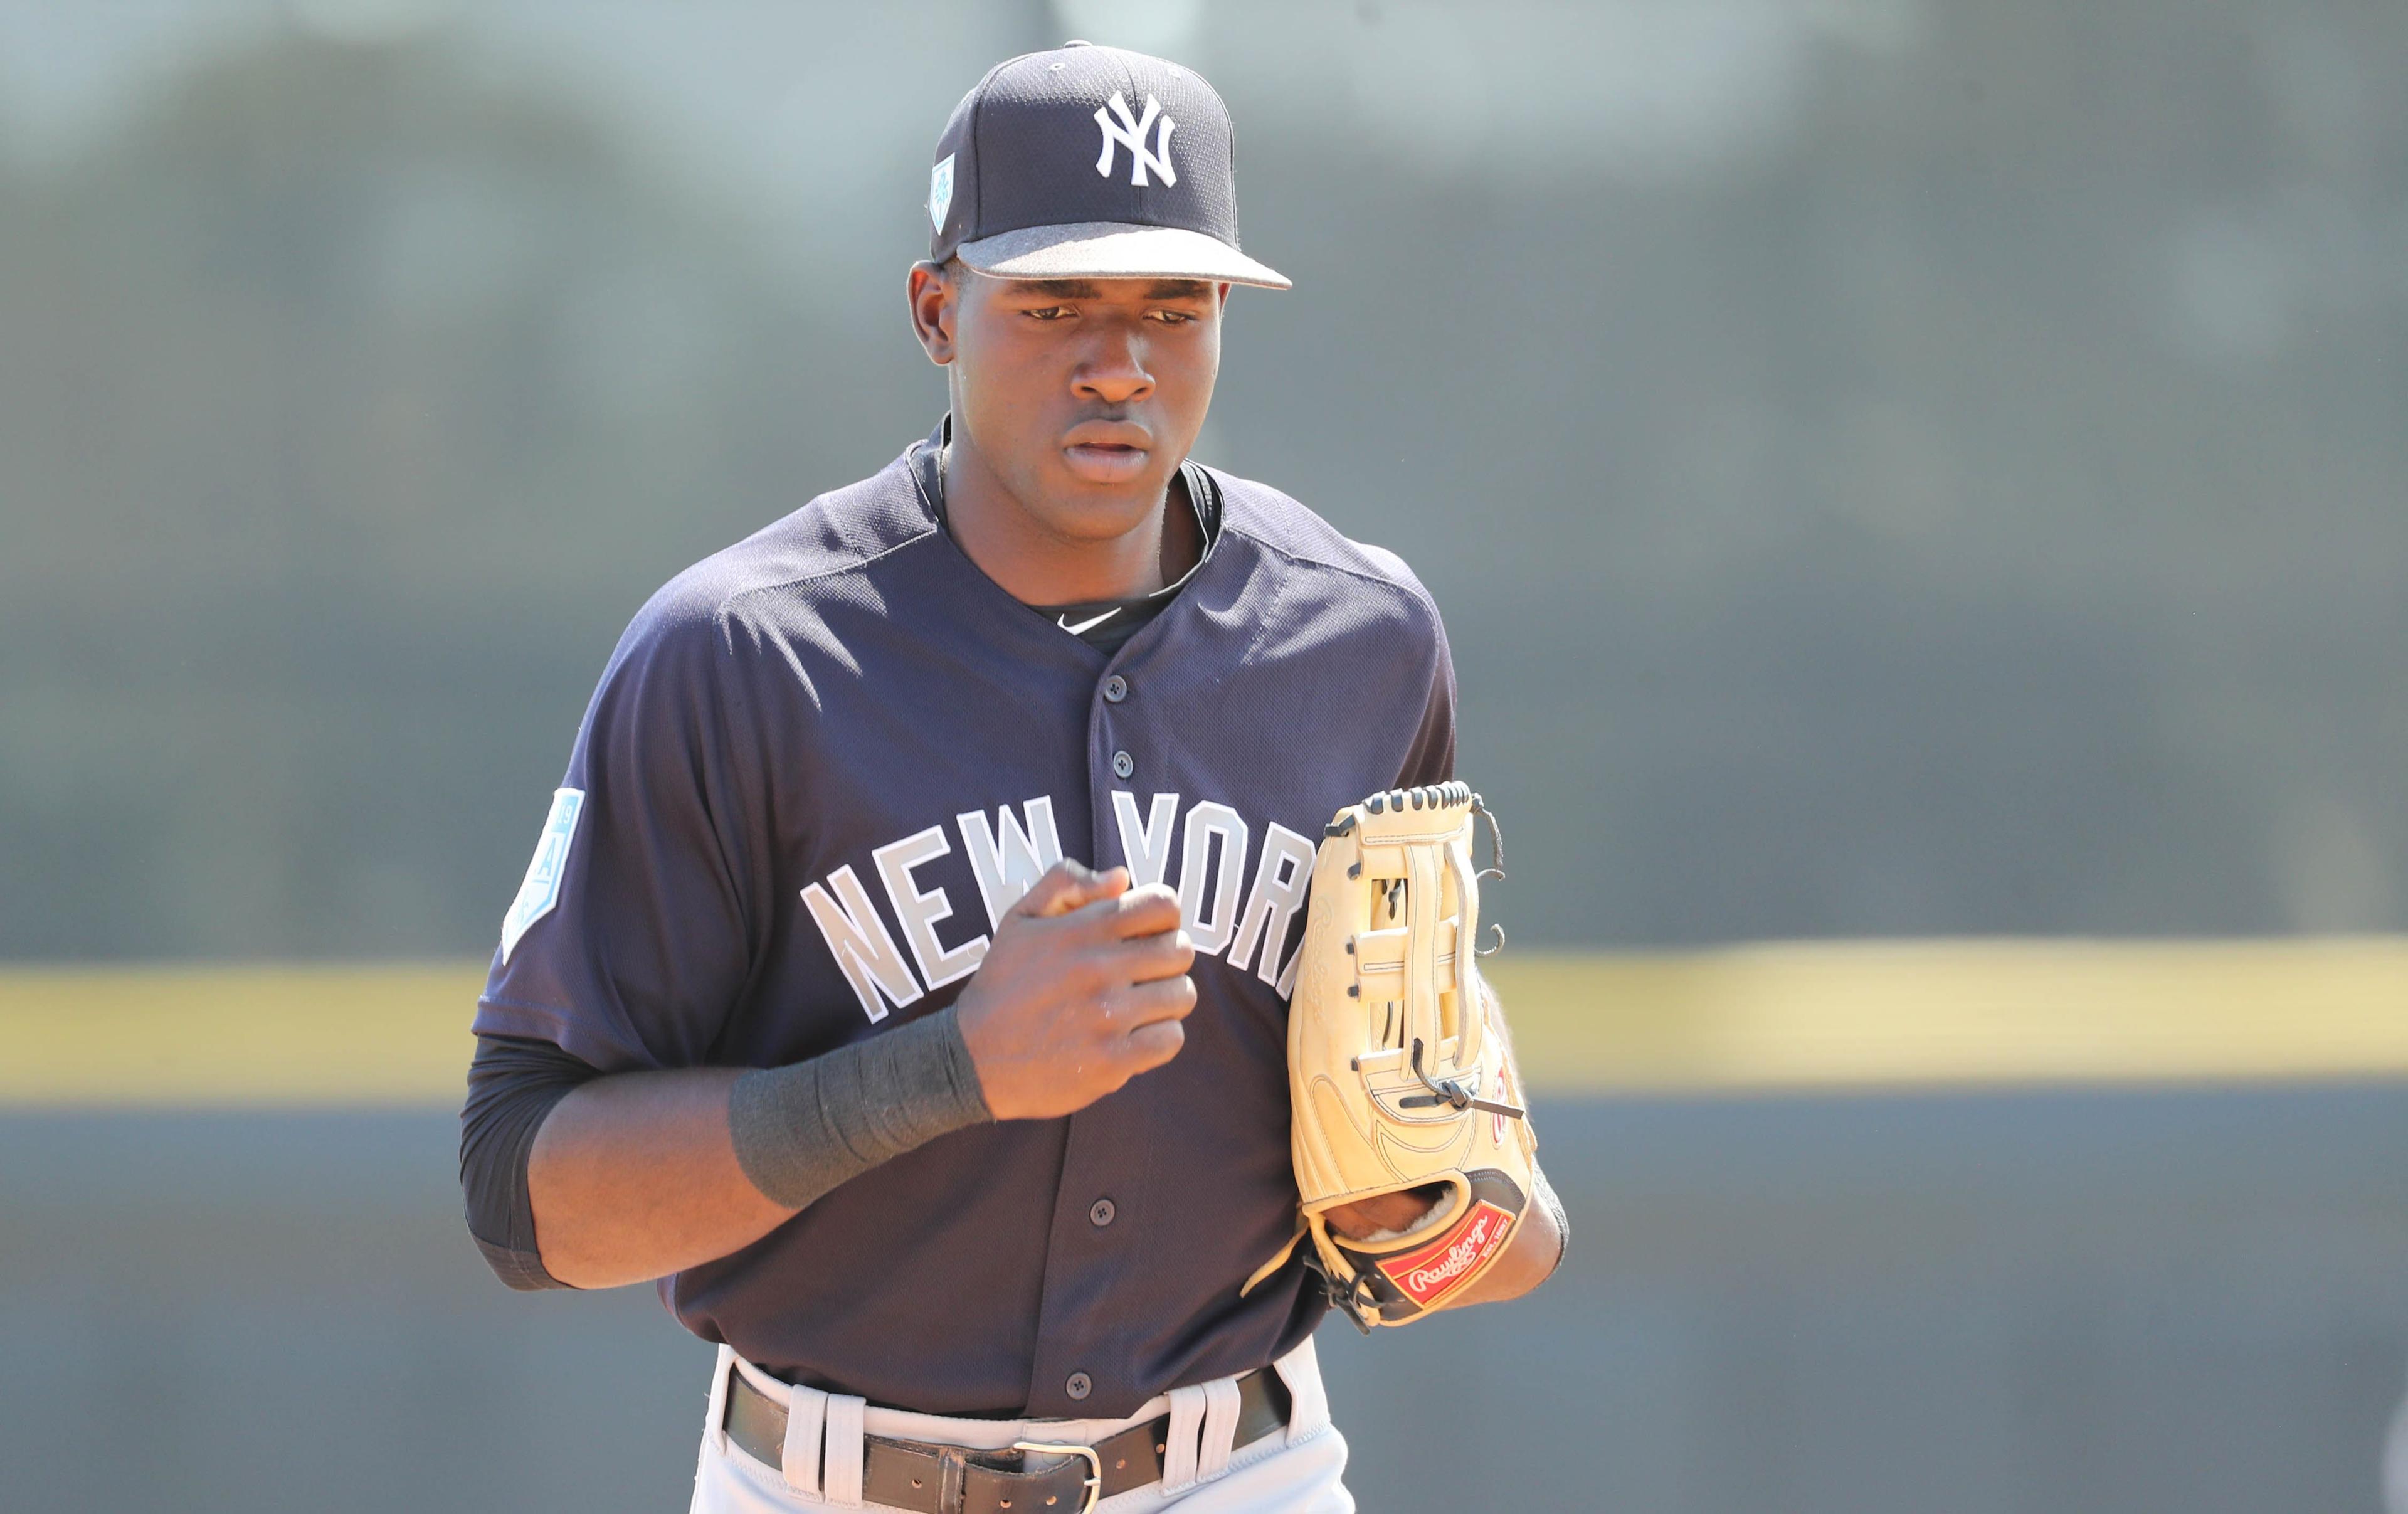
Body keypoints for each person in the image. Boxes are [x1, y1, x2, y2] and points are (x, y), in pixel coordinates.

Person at [458, 40, 1565, 1513]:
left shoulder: (1359, 641)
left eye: (1174, 305)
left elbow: (1480, 1210)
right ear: (937, 311)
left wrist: (1430, 1214)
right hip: (828, 1480)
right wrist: (942, 1073)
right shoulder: (741, 657)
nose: (1121, 361)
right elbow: (528, 1196)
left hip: (1240, 1470)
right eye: (1055, 305)